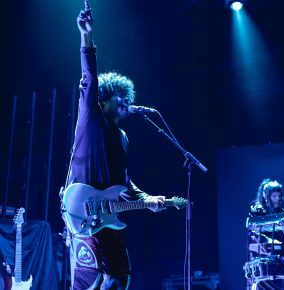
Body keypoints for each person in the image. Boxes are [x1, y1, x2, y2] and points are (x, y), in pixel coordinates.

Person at [61, 3, 165, 289]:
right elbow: (89, 80)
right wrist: (87, 38)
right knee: (90, 280)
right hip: (84, 213)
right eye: (119, 96)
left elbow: (125, 183)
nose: (125, 102)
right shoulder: (91, 119)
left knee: (120, 278)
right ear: (103, 100)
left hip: (109, 217)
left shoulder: (122, 137)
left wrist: (147, 199)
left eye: (127, 97)